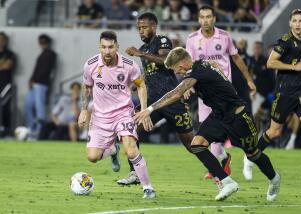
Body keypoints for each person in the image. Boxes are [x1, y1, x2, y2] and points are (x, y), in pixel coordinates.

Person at [134, 47, 280, 201]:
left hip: (238, 117)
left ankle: (274, 178)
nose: (177, 73)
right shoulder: (200, 65)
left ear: (182, 66)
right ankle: (227, 182)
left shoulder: (196, 72)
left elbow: (176, 93)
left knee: (253, 154)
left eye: (177, 70)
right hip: (218, 116)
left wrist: (150, 109)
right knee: (197, 144)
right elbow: (211, 69)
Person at [117, 12, 194, 185]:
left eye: (144, 27)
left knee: (191, 144)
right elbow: (150, 73)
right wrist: (135, 84)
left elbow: (166, 60)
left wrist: (139, 54)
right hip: (153, 103)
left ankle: (219, 169)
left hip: (172, 100)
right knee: (131, 129)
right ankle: (135, 173)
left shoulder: (162, 40)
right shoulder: (143, 49)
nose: (141, 31)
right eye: (139, 28)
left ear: (154, 26)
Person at [244, 9, 301, 182]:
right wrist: (296, 68)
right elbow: (271, 62)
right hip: (284, 92)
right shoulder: (284, 42)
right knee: (275, 131)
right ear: (290, 23)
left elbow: (298, 63)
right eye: (295, 21)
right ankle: (249, 157)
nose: (298, 24)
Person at [78, 31, 156, 198]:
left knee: (131, 150)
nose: (107, 51)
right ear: (100, 47)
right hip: (100, 117)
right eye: (104, 47)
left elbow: (141, 85)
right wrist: (84, 109)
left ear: (117, 47)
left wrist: (144, 109)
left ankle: (148, 188)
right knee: (92, 157)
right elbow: (87, 86)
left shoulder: (129, 65)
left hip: (123, 113)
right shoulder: (91, 65)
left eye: (111, 47)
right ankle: (113, 150)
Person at [185, 5, 256, 179]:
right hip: (204, 93)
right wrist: (187, 86)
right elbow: (188, 65)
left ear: (214, 18)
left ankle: (218, 168)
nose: (205, 20)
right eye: (202, 17)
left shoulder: (224, 37)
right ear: (198, 19)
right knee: (208, 131)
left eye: (208, 17)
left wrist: (249, 79)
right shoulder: (192, 39)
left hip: (224, 95)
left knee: (220, 132)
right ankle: (223, 158)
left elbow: (236, 58)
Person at [24, 34, 57, 140]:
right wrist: (31, 80)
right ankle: (31, 128)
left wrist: (35, 80)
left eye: (44, 42)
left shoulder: (51, 54)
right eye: (41, 42)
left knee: (40, 108)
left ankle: (40, 131)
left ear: (48, 43)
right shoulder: (42, 54)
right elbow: (36, 69)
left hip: (42, 84)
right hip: (35, 83)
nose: (42, 44)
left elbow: (46, 71)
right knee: (28, 106)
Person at [0, 32, 16, 137]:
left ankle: (6, 130)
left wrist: (4, 64)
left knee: (5, 107)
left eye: (2, 39)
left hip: (5, 85)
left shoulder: (10, 54)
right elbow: (4, 65)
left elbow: (8, 66)